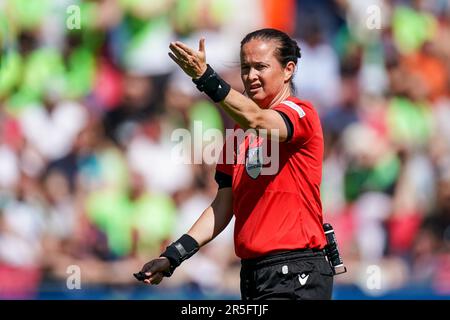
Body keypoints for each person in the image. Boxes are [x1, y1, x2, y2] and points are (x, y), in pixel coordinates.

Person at [135, 28, 335, 300]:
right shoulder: (238, 136)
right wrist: (174, 255)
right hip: (253, 275)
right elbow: (223, 205)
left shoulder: (301, 114)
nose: (251, 76)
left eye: (261, 67)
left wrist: (206, 78)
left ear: (288, 70)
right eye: (245, 67)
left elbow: (258, 119)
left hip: (297, 272)